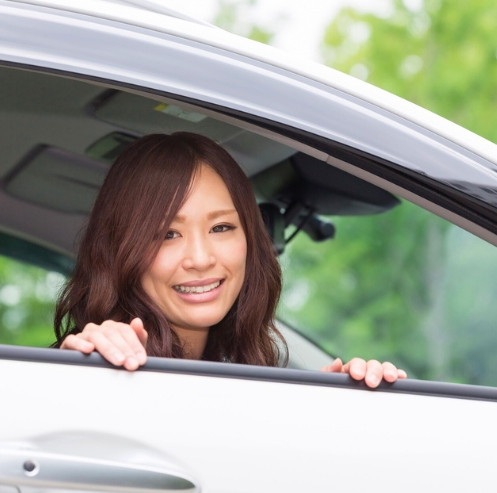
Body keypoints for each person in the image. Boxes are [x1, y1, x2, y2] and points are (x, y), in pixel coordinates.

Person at [55, 132, 406, 388]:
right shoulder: (96, 364)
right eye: (167, 234)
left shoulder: (237, 375)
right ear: (121, 249)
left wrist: (330, 402)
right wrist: (74, 370)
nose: (201, 258)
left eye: (221, 227)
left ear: (252, 239)